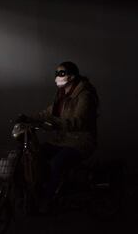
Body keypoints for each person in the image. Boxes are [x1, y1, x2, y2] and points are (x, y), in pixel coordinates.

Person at [19, 61, 100, 213]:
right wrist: (28, 118)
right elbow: (48, 113)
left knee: (57, 162)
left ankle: (48, 200)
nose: (58, 76)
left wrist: (56, 124)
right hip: (64, 140)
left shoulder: (85, 95)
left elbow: (80, 121)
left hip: (81, 142)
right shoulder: (62, 95)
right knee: (37, 154)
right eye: (56, 73)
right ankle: (39, 191)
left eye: (61, 73)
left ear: (72, 76)